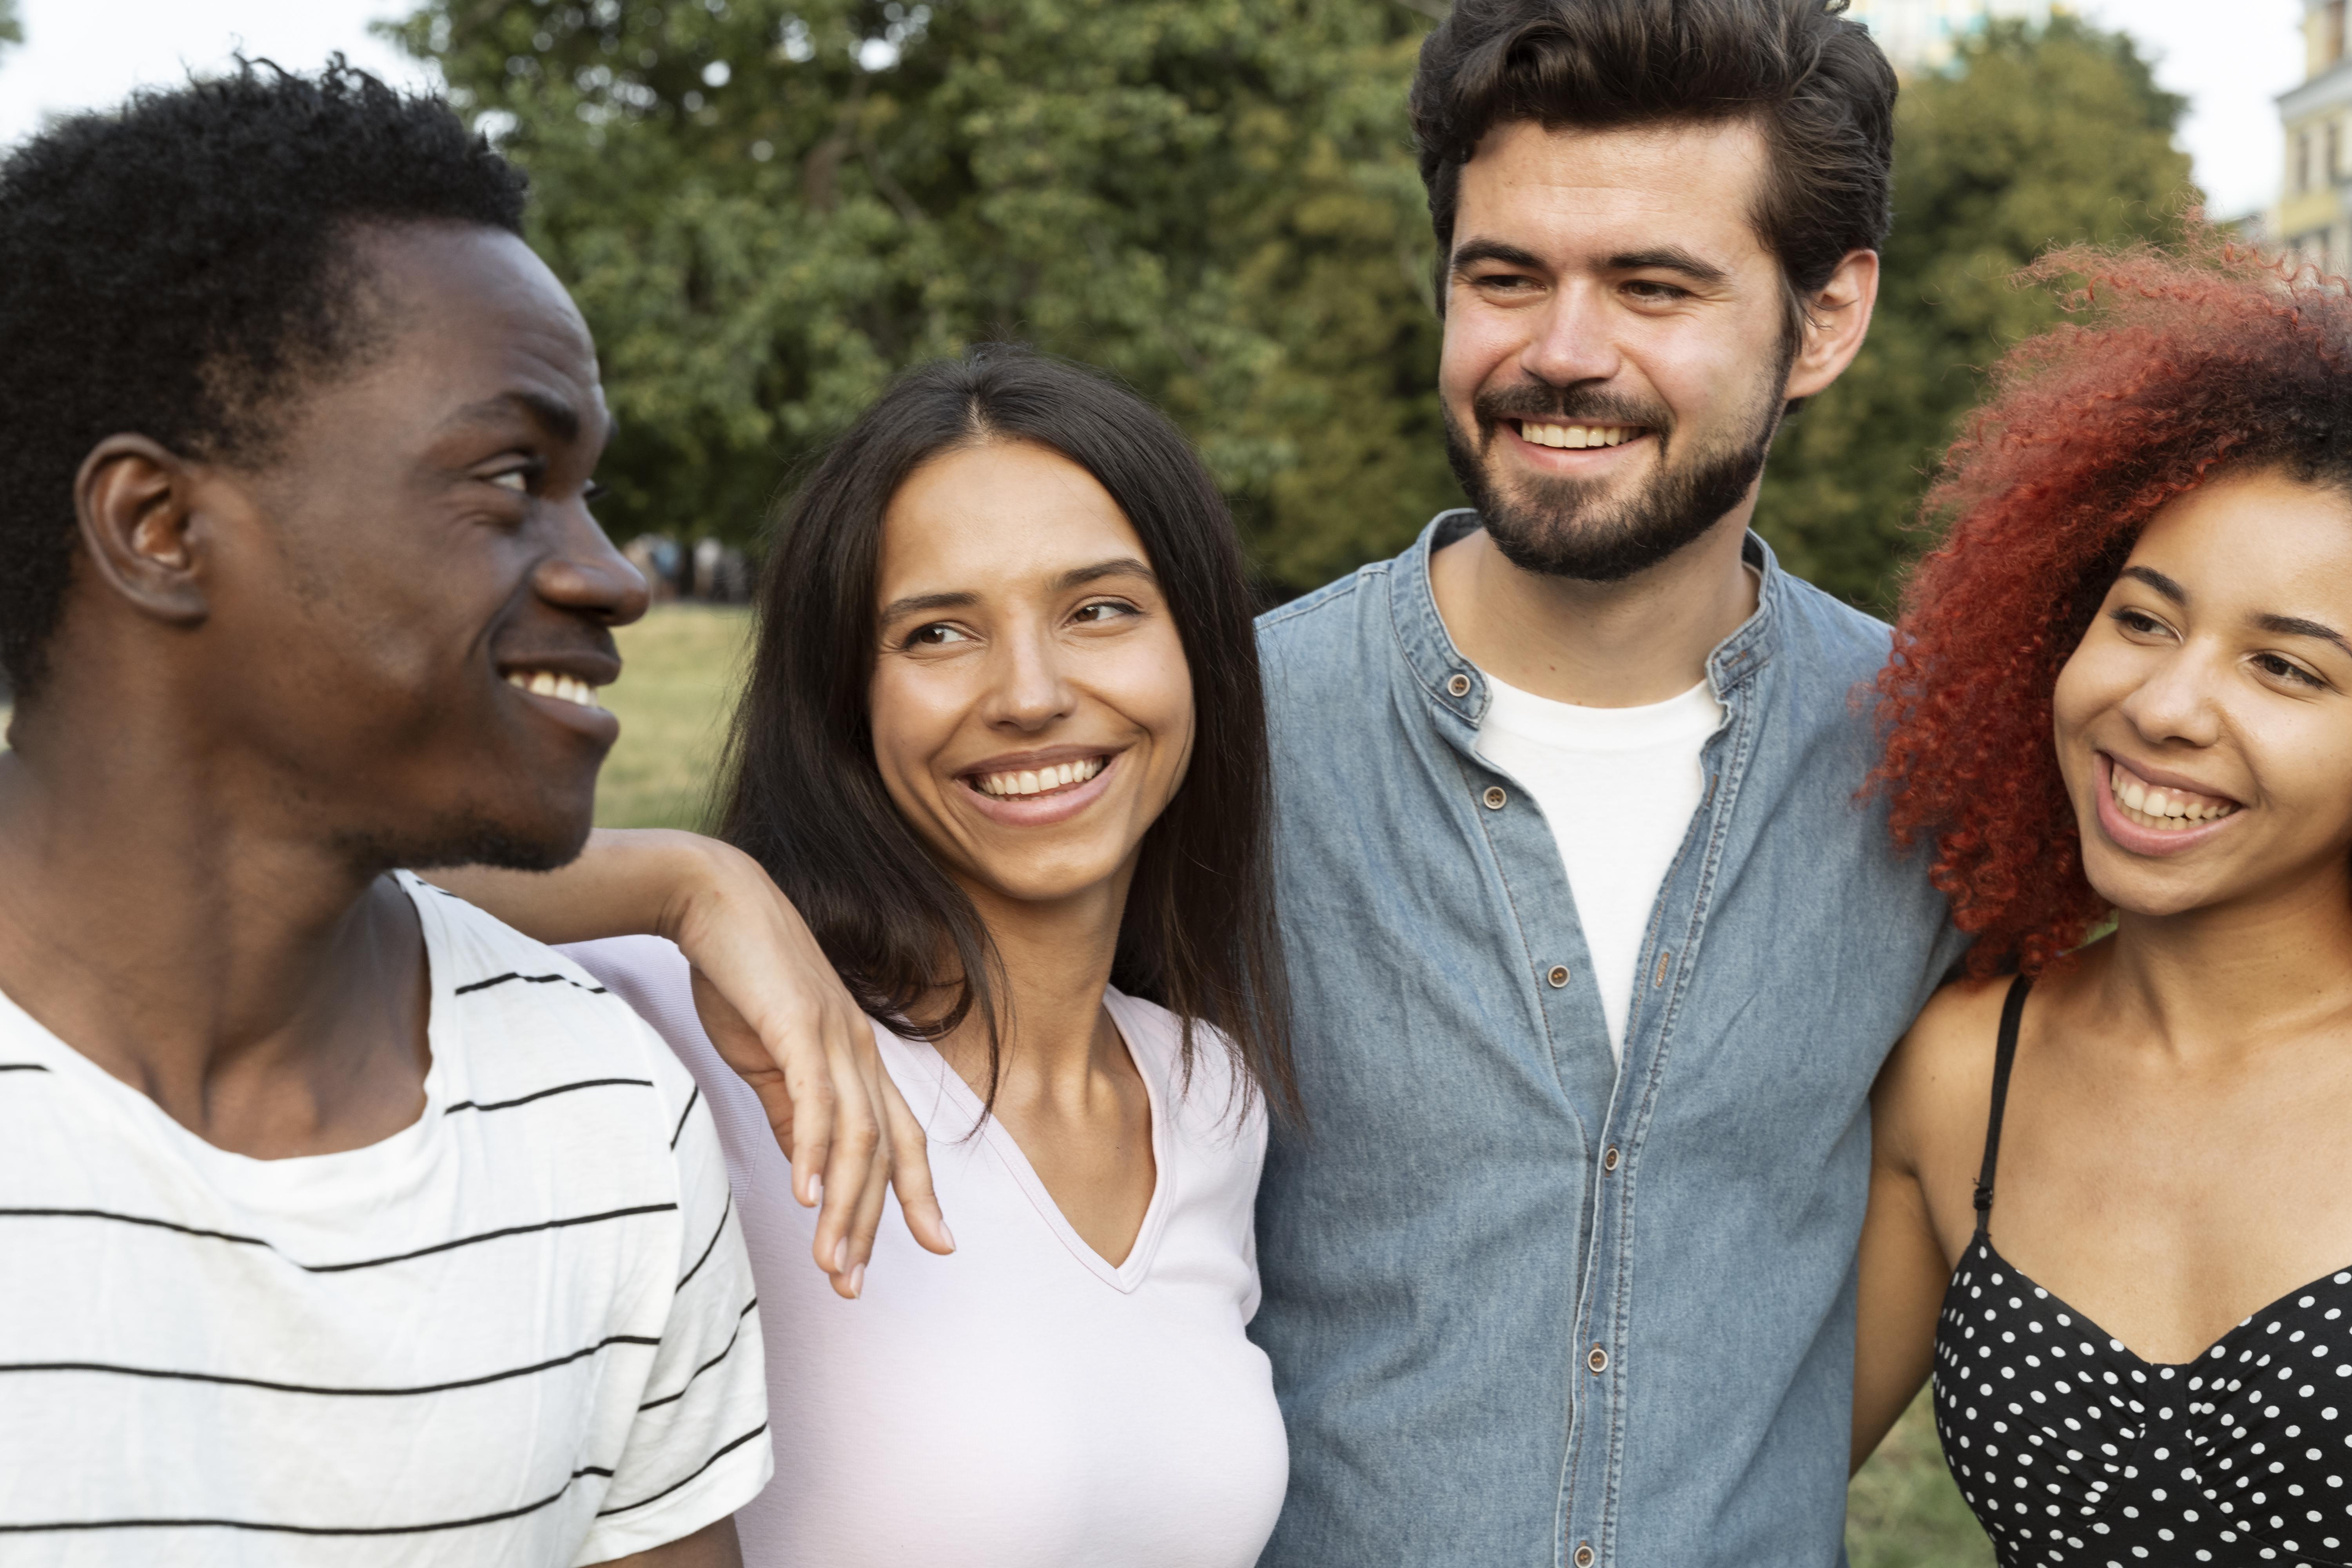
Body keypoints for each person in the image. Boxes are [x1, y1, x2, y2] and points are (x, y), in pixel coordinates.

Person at [458, 2, 1971, 1561]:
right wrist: (695, 880)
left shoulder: (1950, 768)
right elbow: (301, 903)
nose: (1563, 350)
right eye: (1505, 277)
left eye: (1655, 285)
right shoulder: (1208, 736)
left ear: (1829, 317)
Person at [0, 65, 768, 1564]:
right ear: (159, 528)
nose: (615, 576)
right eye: (509, 477)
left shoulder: (598, 1108)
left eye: (589, 489)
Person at [522, 348, 1292, 1566]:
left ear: (1199, 649)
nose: (1031, 694)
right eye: (939, 632)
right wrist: (688, 881)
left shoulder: (1207, 1092)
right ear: (848, 702)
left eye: (1099, 608)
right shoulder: (692, 1031)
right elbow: (263, 885)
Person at [1851, 238, 2352, 1565]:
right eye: (2142, 619)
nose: (2166, 706)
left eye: (2288, 672)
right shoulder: (1964, 1070)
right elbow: (1718, 1473)